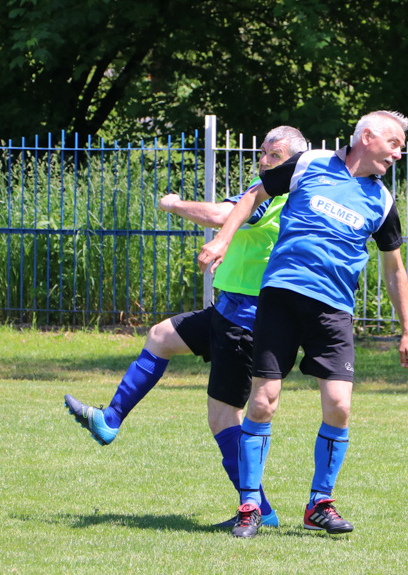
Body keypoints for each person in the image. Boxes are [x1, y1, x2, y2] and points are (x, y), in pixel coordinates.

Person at [63, 125, 309, 529]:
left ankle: (261, 510)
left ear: (293, 161)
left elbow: (222, 215)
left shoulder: (275, 194)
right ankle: (109, 422)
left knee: (223, 419)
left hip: (246, 322)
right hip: (226, 311)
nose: (264, 161)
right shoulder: (269, 188)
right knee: (160, 336)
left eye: (274, 155)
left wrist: (175, 204)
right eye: (262, 152)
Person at [197, 110, 408, 538]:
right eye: (393, 143)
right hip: (281, 298)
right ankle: (249, 506)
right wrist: (223, 237)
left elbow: (395, 271)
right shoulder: (311, 163)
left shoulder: (382, 201)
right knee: (262, 402)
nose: (398, 153)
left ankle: (320, 502)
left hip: (334, 311)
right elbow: (254, 194)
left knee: (339, 405)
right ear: (367, 136)